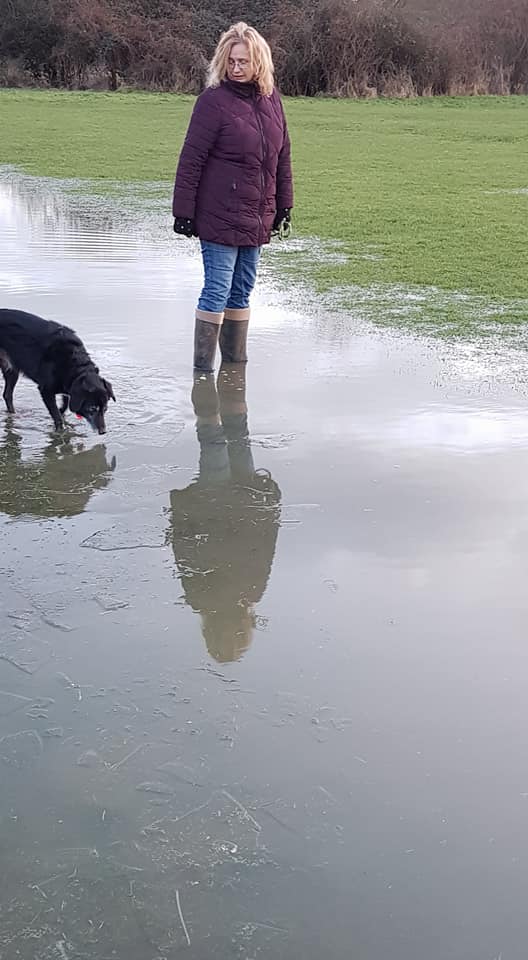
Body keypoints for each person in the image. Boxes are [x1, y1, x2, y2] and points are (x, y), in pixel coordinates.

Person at [172, 22, 294, 372]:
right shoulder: (212, 103)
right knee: (217, 290)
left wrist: (284, 205)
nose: (237, 68)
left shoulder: (272, 101)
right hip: (218, 214)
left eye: (244, 61)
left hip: (257, 215)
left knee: (241, 292)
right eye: (231, 61)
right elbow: (191, 158)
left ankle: (234, 370)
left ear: (260, 62)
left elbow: (281, 157)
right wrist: (184, 211)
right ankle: (203, 376)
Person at [167, 366, 281, 662]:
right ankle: (211, 379)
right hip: (216, 502)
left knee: (236, 434)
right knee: (215, 438)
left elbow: (266, 544)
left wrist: (271, 502)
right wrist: (180, 509)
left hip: (243, 499)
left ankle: (222, 377)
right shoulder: (201, 598)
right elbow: (184, 548)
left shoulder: (252, 593)